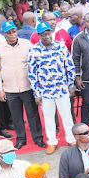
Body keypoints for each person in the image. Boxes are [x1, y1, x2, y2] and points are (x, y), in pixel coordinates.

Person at [0, 21, 45, 149]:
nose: (12, 34)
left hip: (27, 86)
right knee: (16, 116)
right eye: (9, 32)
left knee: (32, 114)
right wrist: (0, 89)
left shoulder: (27, 44)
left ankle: (38, 138)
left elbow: (35, 65)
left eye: (14, 31)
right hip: (10, 88)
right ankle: (21, 139)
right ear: (4, 34)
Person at [28, 22, 76, 154]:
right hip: (45, 91)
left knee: (67, 115)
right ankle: (52, 142)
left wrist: (71, 85)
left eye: (49, 33)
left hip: (61, 88)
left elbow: (70, 66)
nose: (47, 36)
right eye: (44, 34)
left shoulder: (60, 47)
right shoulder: (34, 50)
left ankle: (70, 138)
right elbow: (32, 73)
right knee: (48, 118)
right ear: (39, 36)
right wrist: (36, 93)